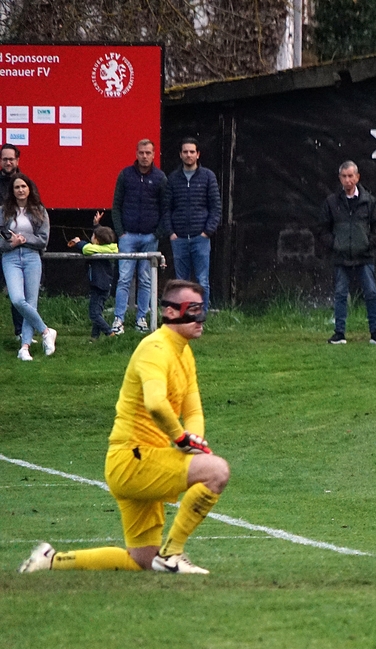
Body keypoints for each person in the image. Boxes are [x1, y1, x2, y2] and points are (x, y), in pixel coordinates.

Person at [19, 279, 231, 576]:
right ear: (171, 312)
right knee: (217, 471)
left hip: (141, 460)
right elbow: (156, 403)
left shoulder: (183, 352)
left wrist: (194, 441)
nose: (200, 317)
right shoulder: (156, 348)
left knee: (142, 559)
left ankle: (51, 559)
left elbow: (193, 409)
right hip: (133, 460)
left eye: (201, 308)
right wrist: (181, 438)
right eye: (192, 309)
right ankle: (173, 553)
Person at [320, 160, 376, 344]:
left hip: (364, 256)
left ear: (357, 177)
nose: (347, 180)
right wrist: (335, 244)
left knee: (371, 293)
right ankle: (339, 333)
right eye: (344, 176)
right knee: (340, 294)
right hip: (341, 257)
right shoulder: (331, 202)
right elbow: (322, 228)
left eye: (350, 176)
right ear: (339, 178)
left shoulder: (370, 201)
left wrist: (368, 244)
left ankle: (375, 333)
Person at [110, 138, 167, 334]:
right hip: (128, 237)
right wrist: (120, 233)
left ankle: (142, 318)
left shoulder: (160, 178)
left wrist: (157, 234)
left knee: (145, 279)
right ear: (136, 154)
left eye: (148, 153)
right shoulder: (125, 175)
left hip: (150, 237)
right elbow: (116, 206)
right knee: (124, 279)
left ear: (153, 155)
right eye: (141, 153)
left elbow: (166, 208)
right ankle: (118, 319)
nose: (144, 156)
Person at [0, 174, 56, 361]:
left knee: (31, 302)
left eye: (23, 186)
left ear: (29, 188)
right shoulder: (3, 211)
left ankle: (24, 348)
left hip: (32, 257)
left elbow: (43, 239)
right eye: (17, 187)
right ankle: (46, 331)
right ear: (12, 191)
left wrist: (24, 239)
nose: (20, 190)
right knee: (17, 299)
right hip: (11, 258)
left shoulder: (39, 210)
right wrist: (12, 243)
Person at [163, 137, 221, 309]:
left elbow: (216, 207)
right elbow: (166, 208)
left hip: (200, 238)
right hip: (179, 238)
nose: (189, 155)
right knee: (181, 282)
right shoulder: (173, 178)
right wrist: (171, 233)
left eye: (192, 152)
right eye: (185, 152)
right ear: (180, 154)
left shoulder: (208, 176)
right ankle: (185, 315)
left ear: (198, 154)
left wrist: (207, 232)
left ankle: (201, 316)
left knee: (202, 280)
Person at [68, 220, 119, 341]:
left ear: (97, 240)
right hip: (103, 285)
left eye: (93, 235)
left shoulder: (95, 249)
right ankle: (94, 337)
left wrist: (79, 242)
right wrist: (97, 225)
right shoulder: (109, 247)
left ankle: (109, 333)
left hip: (99, 286)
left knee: (94, 314)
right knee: (98, 312)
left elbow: (86, 249)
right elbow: (102, 239)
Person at [1, 143, 25, 338]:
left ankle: (20, 332)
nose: (8, 162)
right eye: (4, 159)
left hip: (16, 245)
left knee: (18, 292)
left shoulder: (24, 182)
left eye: (11, 159)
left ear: (17, 160)